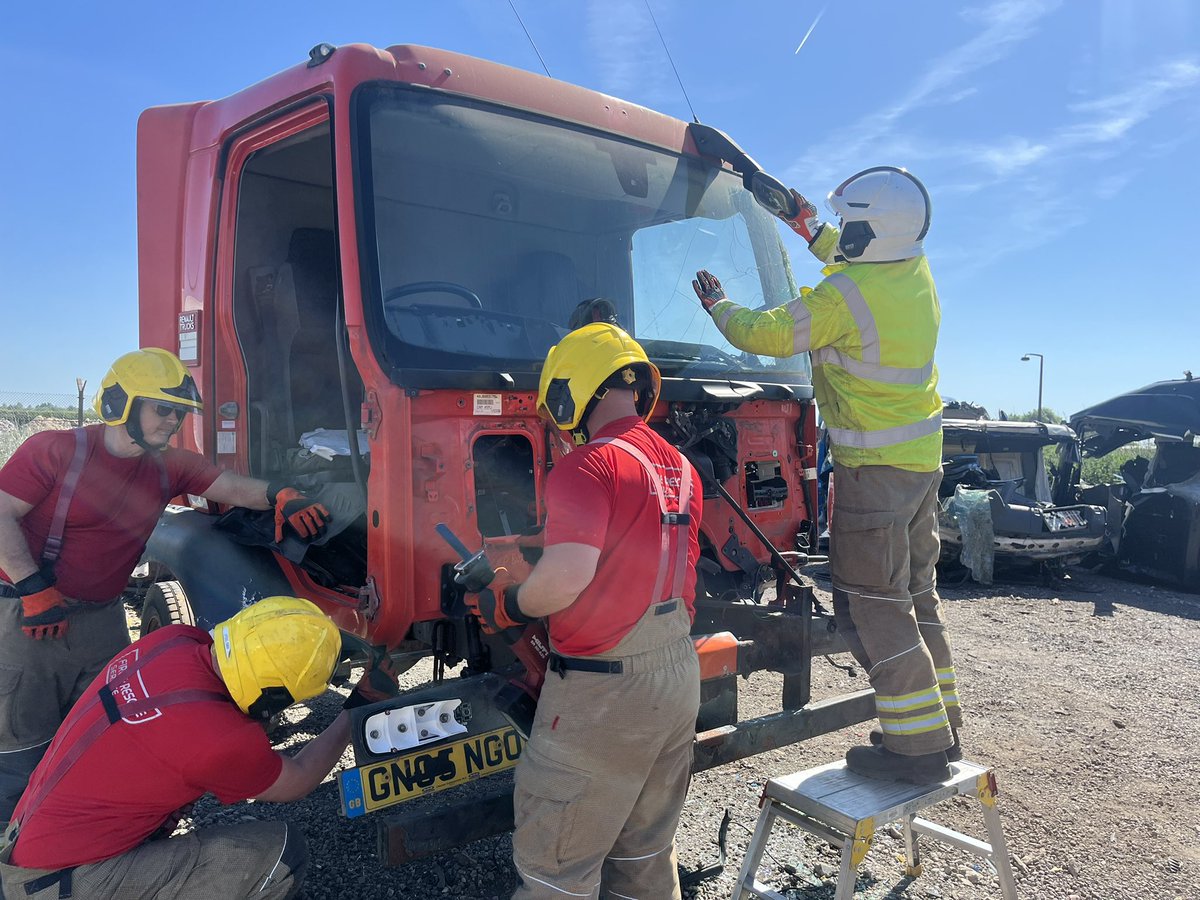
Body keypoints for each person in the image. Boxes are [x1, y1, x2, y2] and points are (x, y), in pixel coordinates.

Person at [692, 166, 961, 783]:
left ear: (872, 232)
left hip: (875, 474)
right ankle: (940, 728)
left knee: (872, 604)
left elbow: (770, 332)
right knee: (917, 597)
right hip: (919, 467)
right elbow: (848, 253)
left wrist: (718, 304)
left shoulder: (844, 298)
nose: (841, 232)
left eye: (849, 224)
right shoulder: (912, 273)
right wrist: (798, 217)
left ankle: (914, 750)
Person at [0, 348, 332, 820]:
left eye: (179, 412)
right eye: (163, 408)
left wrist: (281, 495)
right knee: (20, 741)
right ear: (121, 405)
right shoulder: (54, 450)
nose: (174, 421)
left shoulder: (169, 464)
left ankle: (89, 834)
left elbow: (231, 487)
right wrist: (32, 587)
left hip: (102, 616)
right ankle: (17, 866)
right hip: (29, 616)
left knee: (101, 728)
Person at [462, 323, 702, 899]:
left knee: (556, 872)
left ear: (571, 392)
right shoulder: (679, 467)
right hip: (674, 676)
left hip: (604, 697)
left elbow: (566, 578)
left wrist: (514, 601)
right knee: (643, 854)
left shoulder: (587, 466)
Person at [0, 595, 395, 899]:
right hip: (57, 884)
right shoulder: (220, 741)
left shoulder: (172, 641)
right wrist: (358, 708)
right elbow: (300, 780)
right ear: (272, 698)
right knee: (280, 853)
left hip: (26, 839)